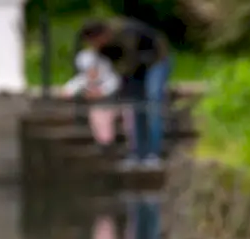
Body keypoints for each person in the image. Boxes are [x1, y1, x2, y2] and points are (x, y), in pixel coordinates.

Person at [78, 17, 172, 169]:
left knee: (152, 101)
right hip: (135, 68)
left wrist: (126, 83)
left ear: (102, 35)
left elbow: (130, 61)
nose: (94, 46)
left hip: (156, 59)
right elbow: (117, 68)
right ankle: (138, 153)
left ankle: (154, 153)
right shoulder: (103, 48)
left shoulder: (125, 32)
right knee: (135, 106)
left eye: (95, 41)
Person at [62, 46, 129, 151]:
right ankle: (105, 142)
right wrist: (82, 92)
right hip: (98, 107)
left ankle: (118, 139)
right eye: (88, 69)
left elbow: (111, 87)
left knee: (110, 114)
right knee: (98, 116)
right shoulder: (83, 79)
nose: (92, 73)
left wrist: (97, 93)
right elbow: (68, 90)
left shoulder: (109, 77)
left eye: (94, 69)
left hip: (115, 104)